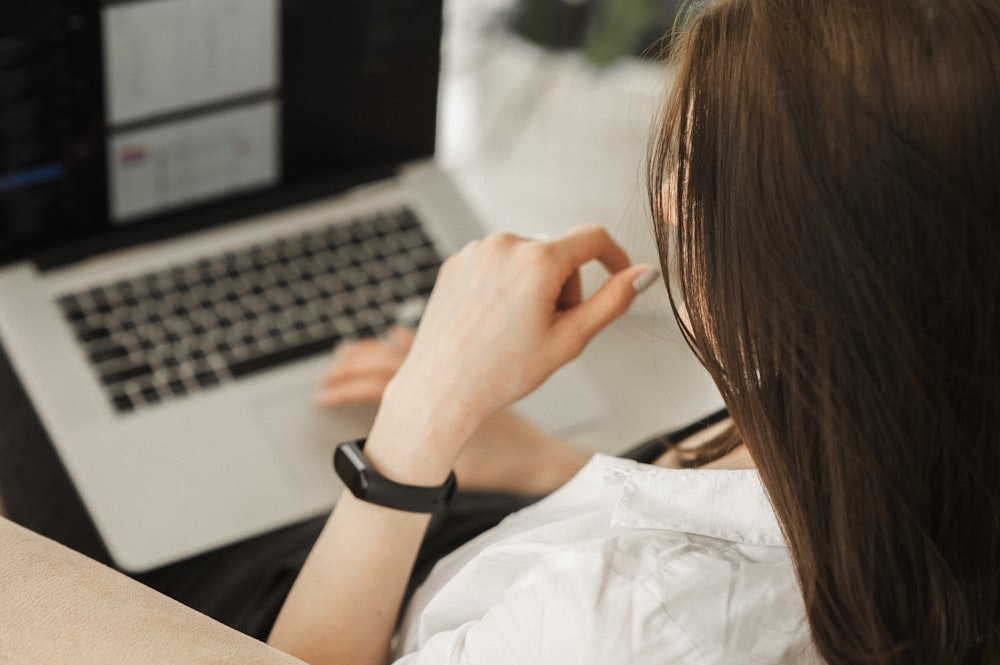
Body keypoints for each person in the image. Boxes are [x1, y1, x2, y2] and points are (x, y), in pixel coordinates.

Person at [1, 0, 996, 663]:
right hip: (471, 523)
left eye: (693, 173)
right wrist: (543, 461)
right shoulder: (905, 401)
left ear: (814, 273)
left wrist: (419, 420)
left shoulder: (616, 611)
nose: (660, 197)